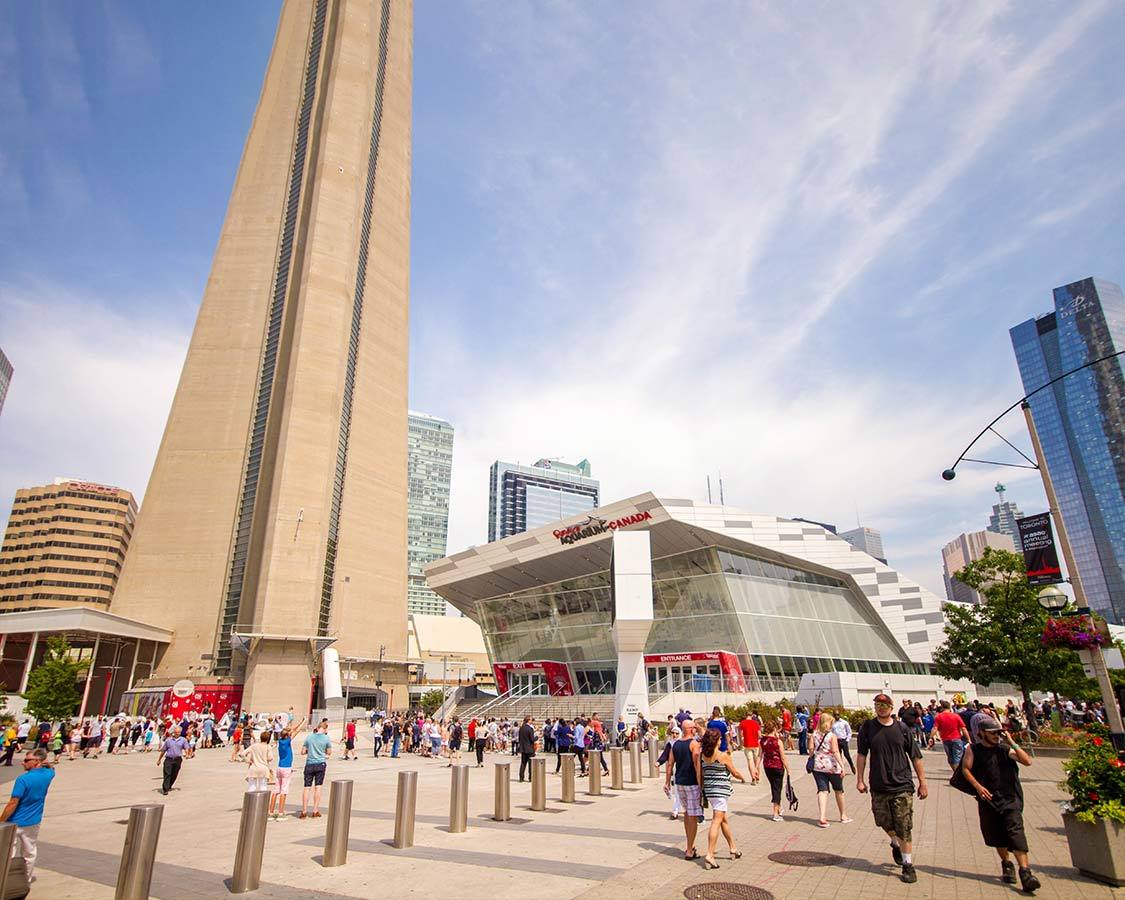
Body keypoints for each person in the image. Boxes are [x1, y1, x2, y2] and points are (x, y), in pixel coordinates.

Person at [961, 717, 1041, 892]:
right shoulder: (973, 750)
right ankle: (1006, 862)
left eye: (999, 732)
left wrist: (1011, 741)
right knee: (997, 835)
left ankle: (1025, 873)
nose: (997, 736)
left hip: (1010, 799)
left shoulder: (1005, 749)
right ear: (981, 733)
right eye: (993, 733)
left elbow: (1027, 761)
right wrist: (978, 786)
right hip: (988, 800)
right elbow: (965, 769)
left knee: (1016, 833)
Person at [857, 693, 928, 884]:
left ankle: (908, 865)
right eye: (877, 705)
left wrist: (923, 782)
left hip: (902, 784)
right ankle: (895, 842)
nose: (880, 707)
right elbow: (862, 755)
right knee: (883, 822)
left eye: (884, 704)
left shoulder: (902, 728)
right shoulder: (868, 728)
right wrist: (860, 779)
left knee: (904, 825)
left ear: (891, 707)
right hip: (879, 784)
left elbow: (916, 756)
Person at [1, 748, 55, 881]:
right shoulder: (49, 774)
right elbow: (52, 768)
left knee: (7, 853)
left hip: (14, 821)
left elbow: (13, 802)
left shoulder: (23, 779)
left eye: (26, 760)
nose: (22, 763)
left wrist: (2, 820)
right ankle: (26, 879)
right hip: (33, 821)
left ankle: (6, 879)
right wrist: (46, 764)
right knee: (29, 852)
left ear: (36, 761)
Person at [699, 726, 746, 869]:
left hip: (710, 791)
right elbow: (734, 771)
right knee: (716, 821)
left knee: (723, 819)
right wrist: (743, 778)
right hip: (721, 792)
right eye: (719, 739)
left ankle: (733, 848)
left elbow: (702, 773)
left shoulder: (703, 755)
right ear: (716, 741)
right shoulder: (722, 756)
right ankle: (710, 854)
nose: (721, 741)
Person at [664, 719, 703, 860]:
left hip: (679, 782)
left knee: (687, 813)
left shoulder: (676, 744)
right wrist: (701, 784)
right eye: (694, 728)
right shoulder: (694, 744)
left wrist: (667, 782)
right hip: (691, 783)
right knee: (693, 816)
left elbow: (670, 764)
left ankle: (689, 845)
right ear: (691, 729)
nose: (695, 730)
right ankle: (689, 849)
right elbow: (697, 765)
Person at [811, 713, 851, 827]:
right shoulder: (832, 736)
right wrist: (842, 766)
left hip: (818, 766)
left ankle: (822, 817)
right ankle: (843, 815)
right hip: (832, 766)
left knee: (822, 791)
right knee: (839, 790)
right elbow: (835, 751)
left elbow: (810, 750)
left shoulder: (814, 735)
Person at [300, 722, 333, 819]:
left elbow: (302, 751)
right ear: (324, 729)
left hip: (309, 764)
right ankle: (315, 810)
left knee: (307, 787)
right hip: (320, 763)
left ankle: (304, 811)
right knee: (318, 787)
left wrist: (310, 752)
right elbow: (329, 752)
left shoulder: (309, 737)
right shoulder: (326, 738)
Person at [934, 700, 971, 770]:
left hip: (945, 739)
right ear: (950, 707)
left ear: (942, 707)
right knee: (958, 758)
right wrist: (968, 739)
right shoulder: (955, 716)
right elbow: (963, 728)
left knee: (950, 758)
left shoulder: (938, 717)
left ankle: (955, 772)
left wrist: (931, 737)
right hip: (956, 738)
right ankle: (958, 774)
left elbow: (935, 728)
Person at [270, 727, 296, 820]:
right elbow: (295, 732)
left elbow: (291, 731)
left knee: (276, 790)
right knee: (283, 791)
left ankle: (271, 812)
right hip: (286, 767)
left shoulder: (280, 741)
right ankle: (281, 813)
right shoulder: (288, 741)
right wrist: (303, 722)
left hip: (279, 767)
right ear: (287, 735)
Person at [157, 726, 190, 795]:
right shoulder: (168, 740)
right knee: (167, 773)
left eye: (178, 732)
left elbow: (186, 748)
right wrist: (159, 760)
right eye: (176, 732)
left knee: (174, 774)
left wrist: (187, 754)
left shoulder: (183, 740)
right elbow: (163, 750)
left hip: (178, 759)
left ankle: (169, 785)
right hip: (169, 759)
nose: (177, 733)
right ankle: (165, 789)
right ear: (173, 733)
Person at [737, 711, 761, 784]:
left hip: (747, 744)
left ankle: (753, 777)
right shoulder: (756, 723)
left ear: (745, 715)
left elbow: (741, 735)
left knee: (750, 761)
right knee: (756, 761)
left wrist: (741, 744)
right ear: (752, 715)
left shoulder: (742, 723)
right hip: (756, 744)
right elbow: (759, 735)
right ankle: (757, 776)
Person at [517, 715, 537, 782]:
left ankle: (521, 778)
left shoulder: (521, 728)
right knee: (530, 764)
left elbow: (520, 738)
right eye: (531, 720)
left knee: (523, 763)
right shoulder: (530, 729)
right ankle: (530, 778)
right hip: (529, 748)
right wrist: (537, 737)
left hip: (523, 748)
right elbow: (532, 739)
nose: (532, 721)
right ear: (529, 720)